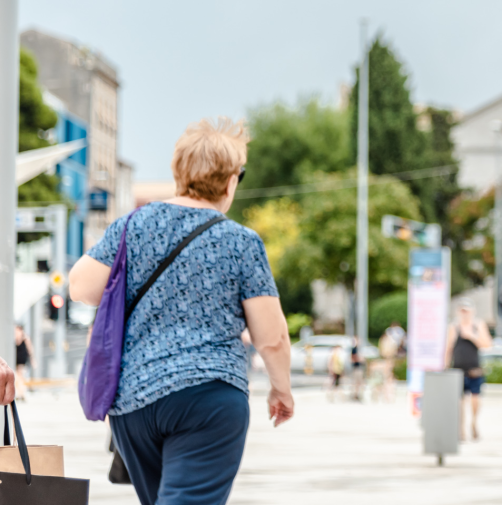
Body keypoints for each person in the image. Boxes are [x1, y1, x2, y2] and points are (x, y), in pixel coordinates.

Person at [69, 118, 294, 505]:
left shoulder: (132, 226)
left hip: (135, 403)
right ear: (231, 181)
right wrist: (281, 389)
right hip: (209, 399)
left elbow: (80, 287)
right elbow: (271, 338)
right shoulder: (241, 242)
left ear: (179, 172)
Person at [444, 299, 493, 440]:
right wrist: (445, 366)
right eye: (462, 311)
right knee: (459, 401)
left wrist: (472, 336)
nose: (464, 313)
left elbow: (487, 345)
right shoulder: (454, 326)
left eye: (467, 311)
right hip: (458, 368)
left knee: (475, 398)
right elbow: (448, 347)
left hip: (474, 368)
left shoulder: (478, 325)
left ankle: (474, 423)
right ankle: (461, 429)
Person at [13, 324, 35, 400]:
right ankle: (20, 393)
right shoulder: (14, 337)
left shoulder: (25, 337)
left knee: (20, 376)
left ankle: (21, 393)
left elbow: (30, 349)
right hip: (16, 359)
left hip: (22, 359)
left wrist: (32, 359)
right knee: (17, 376)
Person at [350, 336, 367, 401]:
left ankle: (358, 394)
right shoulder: (354, 349)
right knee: (356, 382)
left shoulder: (360, 349)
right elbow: (353, 358)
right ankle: (355, 395)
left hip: (360, 367)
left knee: (360, 382)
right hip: (356, 367)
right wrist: (360, 360)